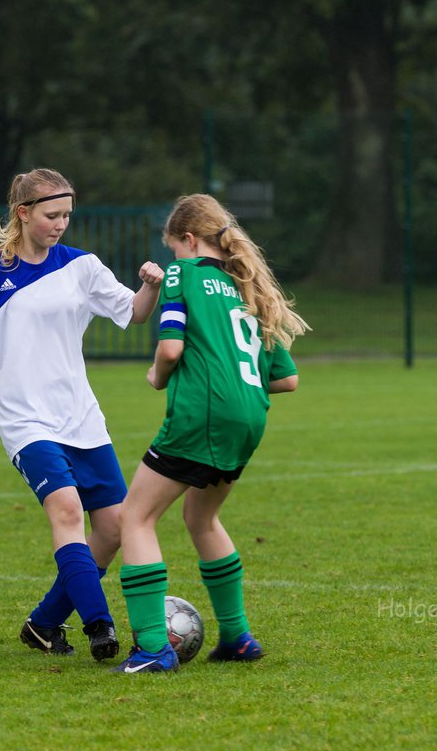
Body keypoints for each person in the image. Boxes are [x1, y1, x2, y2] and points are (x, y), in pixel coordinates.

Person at [0, 168, 164, 661]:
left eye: (66, 215)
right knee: (65, 511)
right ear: (23, 213)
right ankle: (99, 626)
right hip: (27, 424)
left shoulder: (81, 266)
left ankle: (44, 623)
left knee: (113, 528)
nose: (61, 224)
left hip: (83, 418)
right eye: (51, 215)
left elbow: (135, 313)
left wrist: (150, 285)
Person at [111, 193, 309, 674]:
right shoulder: (249, 287)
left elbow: (172, 349)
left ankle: (154, 649)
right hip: (249, 417)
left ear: (189, 239)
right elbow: (286, 379)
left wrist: (157, 377)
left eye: (174, 248)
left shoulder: (182, 273)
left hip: (203, 412)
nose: (174, 258)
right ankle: (238, 637)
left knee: (134, 518)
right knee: (202, 518)